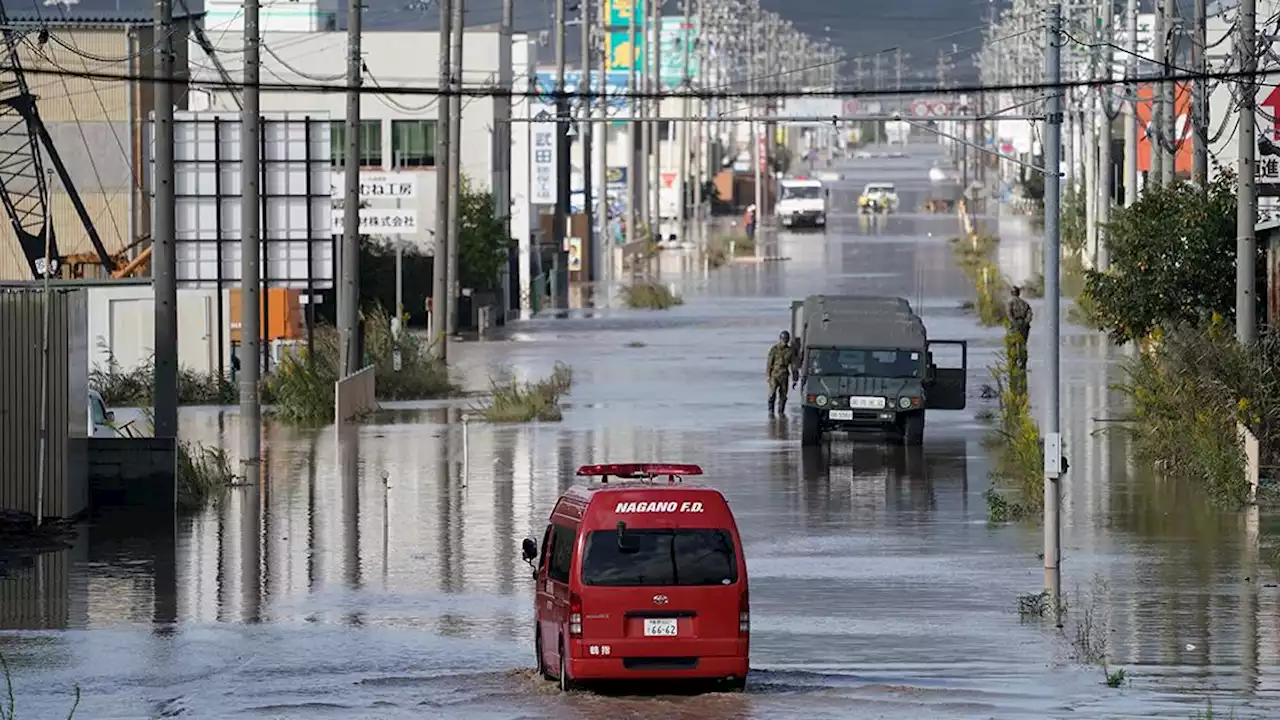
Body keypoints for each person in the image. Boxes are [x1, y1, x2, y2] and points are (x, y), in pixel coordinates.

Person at [766, 330, 799, 415]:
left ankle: (781, 412)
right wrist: (768, 376)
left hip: (784, 375)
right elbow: (769, 363)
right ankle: (771, 411)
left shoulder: (790, 351)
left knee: (783, 395)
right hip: (774, 375)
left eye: (786, 340)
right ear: (780, 339)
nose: (784, 342)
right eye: (783, 340)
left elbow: (793, 365)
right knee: (772, 393)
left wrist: (795, 378)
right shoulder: (774, 349)